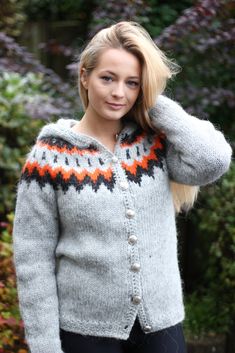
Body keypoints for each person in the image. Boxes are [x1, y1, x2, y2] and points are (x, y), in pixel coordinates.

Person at [12, 21, 232, 353]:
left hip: (162, 327)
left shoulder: (152, 144)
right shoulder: (49, 159)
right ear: (85, 76)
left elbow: (213, 159)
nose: (119, 93)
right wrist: (45, 346)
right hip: (85, 335)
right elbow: (33, 260)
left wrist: (153, 103)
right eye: (108, 78)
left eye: (132, 83)